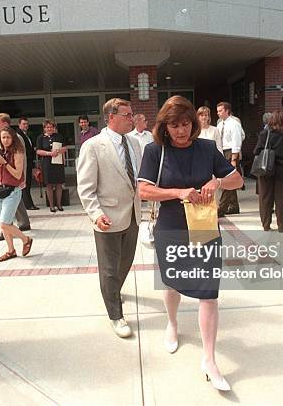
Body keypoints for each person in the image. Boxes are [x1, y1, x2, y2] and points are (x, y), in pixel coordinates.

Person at [138, 96, 243, 391]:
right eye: (175, 125)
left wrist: (217, 182)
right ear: (165, 126)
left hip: (205, 226)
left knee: (208, 292)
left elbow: (237, 180)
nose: (181, 131)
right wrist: (178, 193)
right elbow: (144, 191)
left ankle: (209, 359)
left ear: (194, 124)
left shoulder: (207, 148)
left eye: (185, 124)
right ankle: (172, 323)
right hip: (171, 225)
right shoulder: (155, 150)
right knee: (171, 283)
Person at [77, 98, 141, 338]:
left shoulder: (134, 143)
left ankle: (112, 291)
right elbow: (85, 187)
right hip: (108, 217)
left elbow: (139, 179)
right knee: (110, 270)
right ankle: (116, 315)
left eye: (132, 114)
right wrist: (95, 213)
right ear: (111, 117)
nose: (131, 119)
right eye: (127, 115)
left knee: (126, 262)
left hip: (133, 214)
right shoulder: (93, 146)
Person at [0, 127, 33, 262]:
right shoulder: (2, 152)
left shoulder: (18, 152)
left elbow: (17, 174)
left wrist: (4, 163)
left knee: (4, 223)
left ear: (13, 138)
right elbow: (2, 173)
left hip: (13, 191)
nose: (5, 140)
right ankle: (11, 250)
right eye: (3, 138)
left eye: (8, 137)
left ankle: (26, 240)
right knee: (4, 223)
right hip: (0, 189)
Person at [253, 110, 283, 232]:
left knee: (265, 198)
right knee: (281, 199)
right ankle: (281, 225)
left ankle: (266, 224)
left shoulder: (265, 133)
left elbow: (256, 151)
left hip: (266, 169)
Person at [0, 113, 31, 242]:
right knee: (11, 207)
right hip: (4, 181)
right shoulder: (0, 139)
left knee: (12, 205)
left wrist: (21, 178)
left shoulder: (17, 138)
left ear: (5, 123)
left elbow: (20, 161)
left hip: (14, 180)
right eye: (3, 138)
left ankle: (22, 235)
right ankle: (13, 235)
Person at [216, 102, 243, 216]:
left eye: (221, 110)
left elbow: (237, 139)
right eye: (217, 111)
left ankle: (221, 208)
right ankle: (234, 206)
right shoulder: (219, 124)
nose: (218, 113)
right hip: (222, 151)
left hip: (230, 152)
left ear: (227, 111)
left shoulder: (234, 123)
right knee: (227, 179)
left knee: (227, 180)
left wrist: (234, 158)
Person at [37, 119, 68, 212]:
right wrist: (49, 153)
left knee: (59, 184)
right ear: (44, 128)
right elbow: (38, 151)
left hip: (58, 162)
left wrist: (59, 151)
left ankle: (59, 204)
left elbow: (65, 147)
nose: (49, 128)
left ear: (54, 128)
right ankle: (51, 205)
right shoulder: (40, 138)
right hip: (47, 164)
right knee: (49, 184)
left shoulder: (59, 136)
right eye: (47, 127)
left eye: (51, 127)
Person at [17, 116, 39, 210]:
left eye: (27, 124)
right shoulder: (18, 135)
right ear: (19, 125)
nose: (26, 125)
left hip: (29, 163)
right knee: (25, 184)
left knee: (28, 183)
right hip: (23, 163)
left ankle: (29, 204)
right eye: (24, 124)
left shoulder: (27, 135)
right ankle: (28, 204)